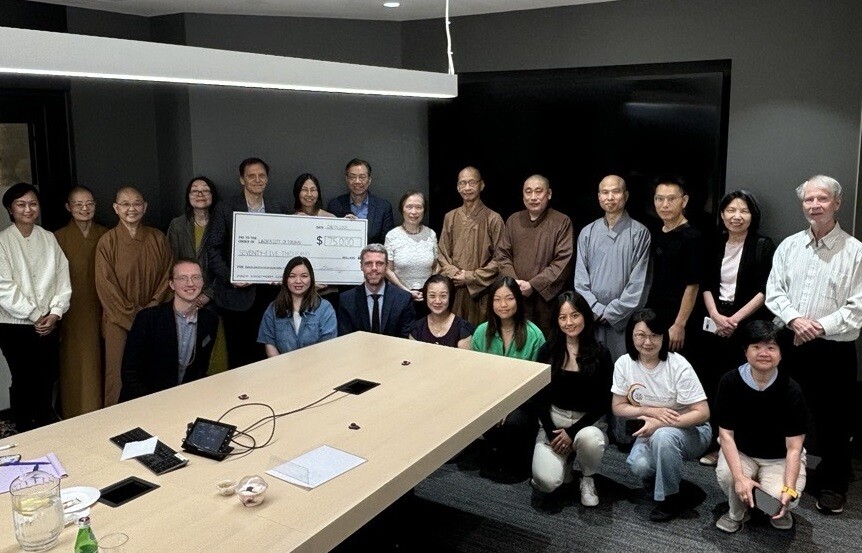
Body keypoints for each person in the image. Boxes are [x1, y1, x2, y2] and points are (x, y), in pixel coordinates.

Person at [765, 175, 862, 515]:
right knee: (786, 410)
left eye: (822, 199)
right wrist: (795, 320)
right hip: (790, 342)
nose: (814, 205)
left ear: (837, 203)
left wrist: (818, 326)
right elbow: (774, 291)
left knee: (834, 418)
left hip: (833, 350)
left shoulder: (856, 252)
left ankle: (834, 481)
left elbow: (858, 307)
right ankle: (780, 474)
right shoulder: (789, 246)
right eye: (808, 200)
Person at [611, 308, 711, 522]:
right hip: (651, 431)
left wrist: (658, 424)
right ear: (631, 336)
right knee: (639, 465)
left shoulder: (678, 365)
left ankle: (671, 499)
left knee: (663, 437)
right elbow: (618, 407)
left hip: (692, 430)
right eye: (641, 335)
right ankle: (670, 484)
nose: (647, 342)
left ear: (664, 336)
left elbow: (702, 412)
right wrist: (650, 412)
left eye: (654, 335)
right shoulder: (624, 364)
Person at [698, 190, 775, 466]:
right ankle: (715, 444)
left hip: (747, 323)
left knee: (743, 385)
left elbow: (765, 290)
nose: (736, 216)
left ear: (752, 215)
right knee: (714, 383)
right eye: (730, 210)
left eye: (743, 210)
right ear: (722, 214)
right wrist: (717, 316)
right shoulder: (715, 244)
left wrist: (735, 320)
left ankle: (740, 448)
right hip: (715, 319)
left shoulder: (763, 245)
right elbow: (705, 284)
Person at [714, 320, 807, 533]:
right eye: (756, 346)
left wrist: (789, 487)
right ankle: (735, 513)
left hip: (779, 458)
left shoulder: (792, 389)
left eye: (771, 347)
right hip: (742, 452)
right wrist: (739, 478)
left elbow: (794, 448)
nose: (764, 352)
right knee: (730, 478)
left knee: (784, 498)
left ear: (781, 353)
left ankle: (771, 503)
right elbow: (726, 435)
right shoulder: (730, 382)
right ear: (745, 351)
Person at [530, 292, 612, 507]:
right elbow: (538, 396)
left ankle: (587, 477)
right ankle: (564, 462)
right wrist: (551, 432)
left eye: (574, 315)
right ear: (556, 321)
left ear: (585, 316)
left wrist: (571, 433)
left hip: (588, 424)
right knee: (546, 482)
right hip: (553, 422)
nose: (569, 322)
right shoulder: (547, 351)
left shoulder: (600, 353)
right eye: (562, 317)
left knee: (591, 439)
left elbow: (604, 401)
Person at [0, 183, 71, 430]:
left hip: (49, 322)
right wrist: (34, 313)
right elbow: (4, 288)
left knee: (47, 376)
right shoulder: (3, 242)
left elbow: (62, 278)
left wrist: (55, 312)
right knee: (22, 378)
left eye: (33, 203)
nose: (28, 209)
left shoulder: (49, 238)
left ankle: (44, 424)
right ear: (11, 209)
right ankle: (23, 426)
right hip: (14, 325)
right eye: (21, 204)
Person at [207, 157, 288, 369]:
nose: (257, 180)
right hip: (236, 298)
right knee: (239, 356)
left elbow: (289, 245)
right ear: (242, 179)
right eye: (251, 176)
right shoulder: (225, 209)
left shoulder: (277, 208)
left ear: (267, 179)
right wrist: (231, 277)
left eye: (262, 175)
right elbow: (213, 249)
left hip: (270, 296)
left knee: (266, 352)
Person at [95, 186, 172, 406]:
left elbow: (167, 276)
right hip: (118, 319)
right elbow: (105, 285)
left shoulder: (158, 238)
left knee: (151, 369)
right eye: (126, 204)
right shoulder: (107, 242)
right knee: (117, 373)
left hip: (152, 317)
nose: (132, 209)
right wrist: (132, 315)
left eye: (137, 203)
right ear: (116, 208)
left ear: (145, 207)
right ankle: (115, 421)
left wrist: (152, 309)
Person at [471, 276, 546, 481]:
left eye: (509, 298)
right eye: (497, 299)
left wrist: (508, 406)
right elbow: (476, 377)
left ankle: (516, 461)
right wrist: (495, 405)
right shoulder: (481, 332)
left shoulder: (534, 335)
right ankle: (496, 452)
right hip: (489, 397)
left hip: (524, 402)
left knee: (514, 422)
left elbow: (538, 385)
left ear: (519, 301)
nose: (503, 305)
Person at [574, 175, 651, 361]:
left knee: (623, 372)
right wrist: (595, 309)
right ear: (599, 197)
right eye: (605, 192)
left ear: (625, 195)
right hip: (592, 320)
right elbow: (580, 280)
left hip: (623, 322)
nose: (610, 197)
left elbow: (639, 284)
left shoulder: (639, 233)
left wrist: (611, 312)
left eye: (615, 192)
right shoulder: (587, 232)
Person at [119, 260, 218, 401]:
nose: (190, 283)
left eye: (196, 277)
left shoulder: (210, 320)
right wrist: (153, 404)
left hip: (183, 403)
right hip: (143, 403)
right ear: (171, 284)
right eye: (182, 278)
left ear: (202, 282)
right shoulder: (148, 318)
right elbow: (130, 373)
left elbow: (201, 369)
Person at [496, 174, 573, 337]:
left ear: (549, 194)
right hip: (514, 297)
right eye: (528, 192)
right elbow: (502, 255)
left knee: (544, 345)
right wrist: (514, 283)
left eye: (538, 192)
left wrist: (533, 285)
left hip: (546, 302)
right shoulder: (513, 220)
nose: (533, 197)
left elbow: (563, 261)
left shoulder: (561, 221)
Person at [54, 185, 107, 417]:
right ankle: (74, 414)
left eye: (89, 203)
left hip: (103, 307)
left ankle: (104, 411)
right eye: (78, 204)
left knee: (104, 360)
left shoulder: (107, 234)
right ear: (68, 207)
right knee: (74, 365)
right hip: (71, 311)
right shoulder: (58, 237)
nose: (85, 209)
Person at [436, 166, 504, 327]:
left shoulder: (493, 219)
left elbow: (501, 258)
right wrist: (454, 273)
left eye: (472, 183)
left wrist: (470, 277)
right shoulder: (450, 217)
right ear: (458, 187)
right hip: (454, 290)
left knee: (479, 338)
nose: (467, 188)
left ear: (482, 185)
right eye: (463, 183)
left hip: (481, 293)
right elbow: (442, 253)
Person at [646, 176, 704, 355]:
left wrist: (679, 324)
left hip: (679, 319)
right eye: (659, 199)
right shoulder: (656, 232)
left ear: (684, 201)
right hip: (656, 314)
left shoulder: (692, 237)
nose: (665, 204)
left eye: (671, 199)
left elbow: (693, 285)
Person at [258, 256, 337, 356]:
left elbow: (328, 345)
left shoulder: (325, 308)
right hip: (282, 368)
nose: (298, 281)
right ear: (286, 279)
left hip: (316, 367)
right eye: (292, 276)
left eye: (304, 276)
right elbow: (269, 343)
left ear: (311, 279)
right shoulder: (274, 308)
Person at [337, 243, 415, 338]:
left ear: (386, 266)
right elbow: (346, 338)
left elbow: (405, 338)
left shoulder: (403, 299)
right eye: (368, 263)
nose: (374, 268)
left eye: (379, 263)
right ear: (361, 266)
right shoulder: (347, 300)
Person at [167, 176, 219, 311]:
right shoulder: (177, 225)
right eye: (195, 191)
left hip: (215, 300)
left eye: (205, 190)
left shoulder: (221, 224)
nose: (200, 194)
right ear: (188, 196)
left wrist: (207, 295)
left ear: (212, 195)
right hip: (182, 297)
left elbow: (226, 265)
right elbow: (171, 262)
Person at [385, 191, 438, 317]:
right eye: (409, 207)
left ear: (424, 210)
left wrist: (427, 289)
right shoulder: (392, 236)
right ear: (402, 209)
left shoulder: (431, 234)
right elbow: (388, 270)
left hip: (427, 298)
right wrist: (407, 291)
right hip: (400, 297)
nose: (414, 212)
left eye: (419, 207)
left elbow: (436, 266)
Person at [327, 158, 394, 244]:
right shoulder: (335, 205)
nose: (357, 181)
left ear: (369, 180)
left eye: (362, 177)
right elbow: (329, 236)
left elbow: (387, 244)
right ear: (347, 179)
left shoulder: (383, 207)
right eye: (353, 177)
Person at [409, 274, 474, 348]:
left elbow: (466, 359)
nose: (438, 301)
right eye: (432, 296)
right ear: (425, 297)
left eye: (443, 296)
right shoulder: (417, 328)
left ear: (450, 297)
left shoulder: (463, 329)